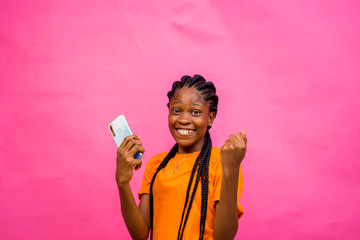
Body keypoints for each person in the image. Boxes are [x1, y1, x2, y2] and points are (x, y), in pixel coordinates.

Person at [115, 75, 247, 240]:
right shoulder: (156, 165)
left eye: (195, 112)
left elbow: (224, 237)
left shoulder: (221, 162)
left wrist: (231, 171)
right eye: (176, 110)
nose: (184, 119)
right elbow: (140, 234)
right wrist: (122, 182)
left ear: (210, 118)